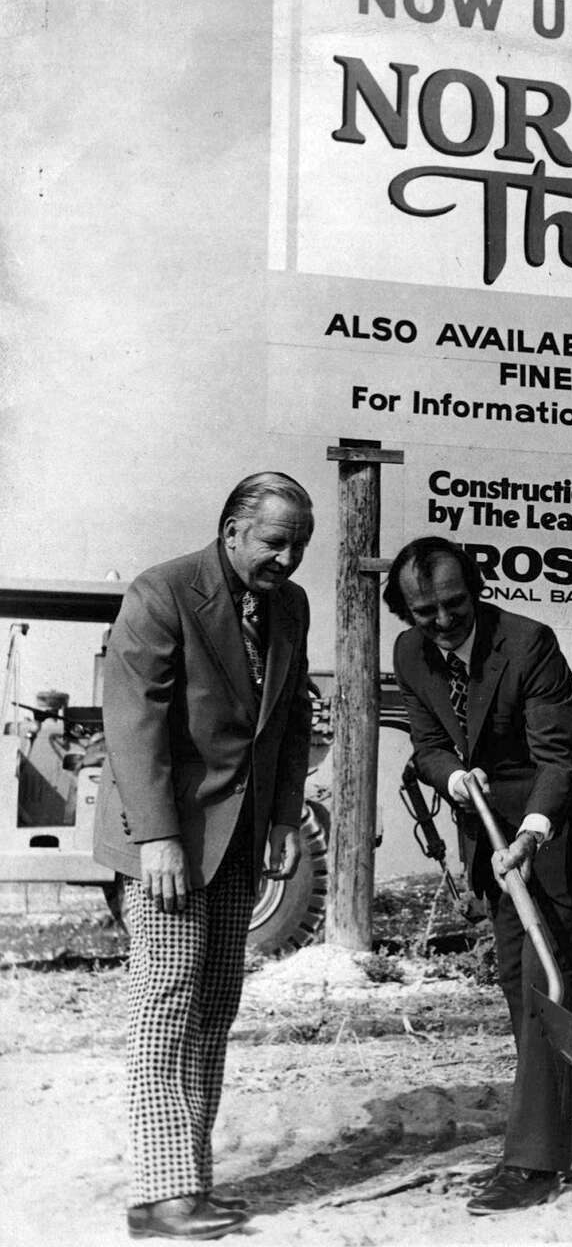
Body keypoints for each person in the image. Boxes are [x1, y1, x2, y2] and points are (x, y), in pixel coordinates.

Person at [94, 472, 314, 1240]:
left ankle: (189, 1184)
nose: (286, 558)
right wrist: (156, 837)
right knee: (165, 1007)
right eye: (273, 541)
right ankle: (162, 1195)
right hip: (166, 843)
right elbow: (132, 720)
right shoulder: (163, 592)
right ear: (231, 531)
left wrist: (284, 818)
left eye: (298, 546)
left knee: (213, 1010)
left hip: (241, 841)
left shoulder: (290, 607)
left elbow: (290, 718)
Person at [385, 535, 572, 1215]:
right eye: (423, 609)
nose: (441, 621)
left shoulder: (529, 644)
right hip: (489, 826)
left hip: (558, 827)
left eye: (454, 604)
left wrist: (532, 835)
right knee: (514, 976)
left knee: (542, 982)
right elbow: (429, 745)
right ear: (405, 609)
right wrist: (453, 778)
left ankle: (533, 1163)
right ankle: (548, 1140)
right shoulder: (409, 653)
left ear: (477, 591)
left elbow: (559, 758)